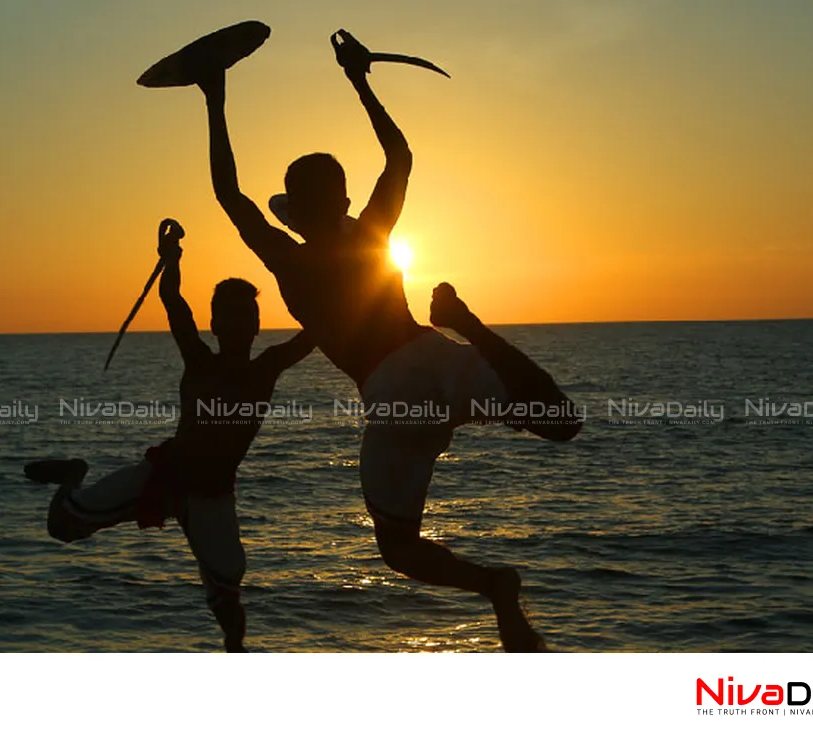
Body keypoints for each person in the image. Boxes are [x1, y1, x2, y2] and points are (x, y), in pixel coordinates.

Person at [195, 31, 583, 652]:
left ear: (292, 208)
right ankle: (469, 324)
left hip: (391, 395)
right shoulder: (372, 231)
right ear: (343, 200)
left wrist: (214, 96)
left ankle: (494, 587)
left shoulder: (286, 260)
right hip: (434, 355)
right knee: (562, 422)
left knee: (399, 548)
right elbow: (399, 157)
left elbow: (229, 194)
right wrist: (361, 81)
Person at [26, 219, 314, 652]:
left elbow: (322, 329)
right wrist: (172, 259)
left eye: (248, 317)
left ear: (258, 326)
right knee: (62, 528)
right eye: (229, 317)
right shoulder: (199, 359)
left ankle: (235, 651)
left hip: (213, 492)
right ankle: (74, 474)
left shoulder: (268, 366)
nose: (239, 325)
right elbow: (173, 300)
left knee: (227, 584)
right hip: (165, 473)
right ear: (215, 325)